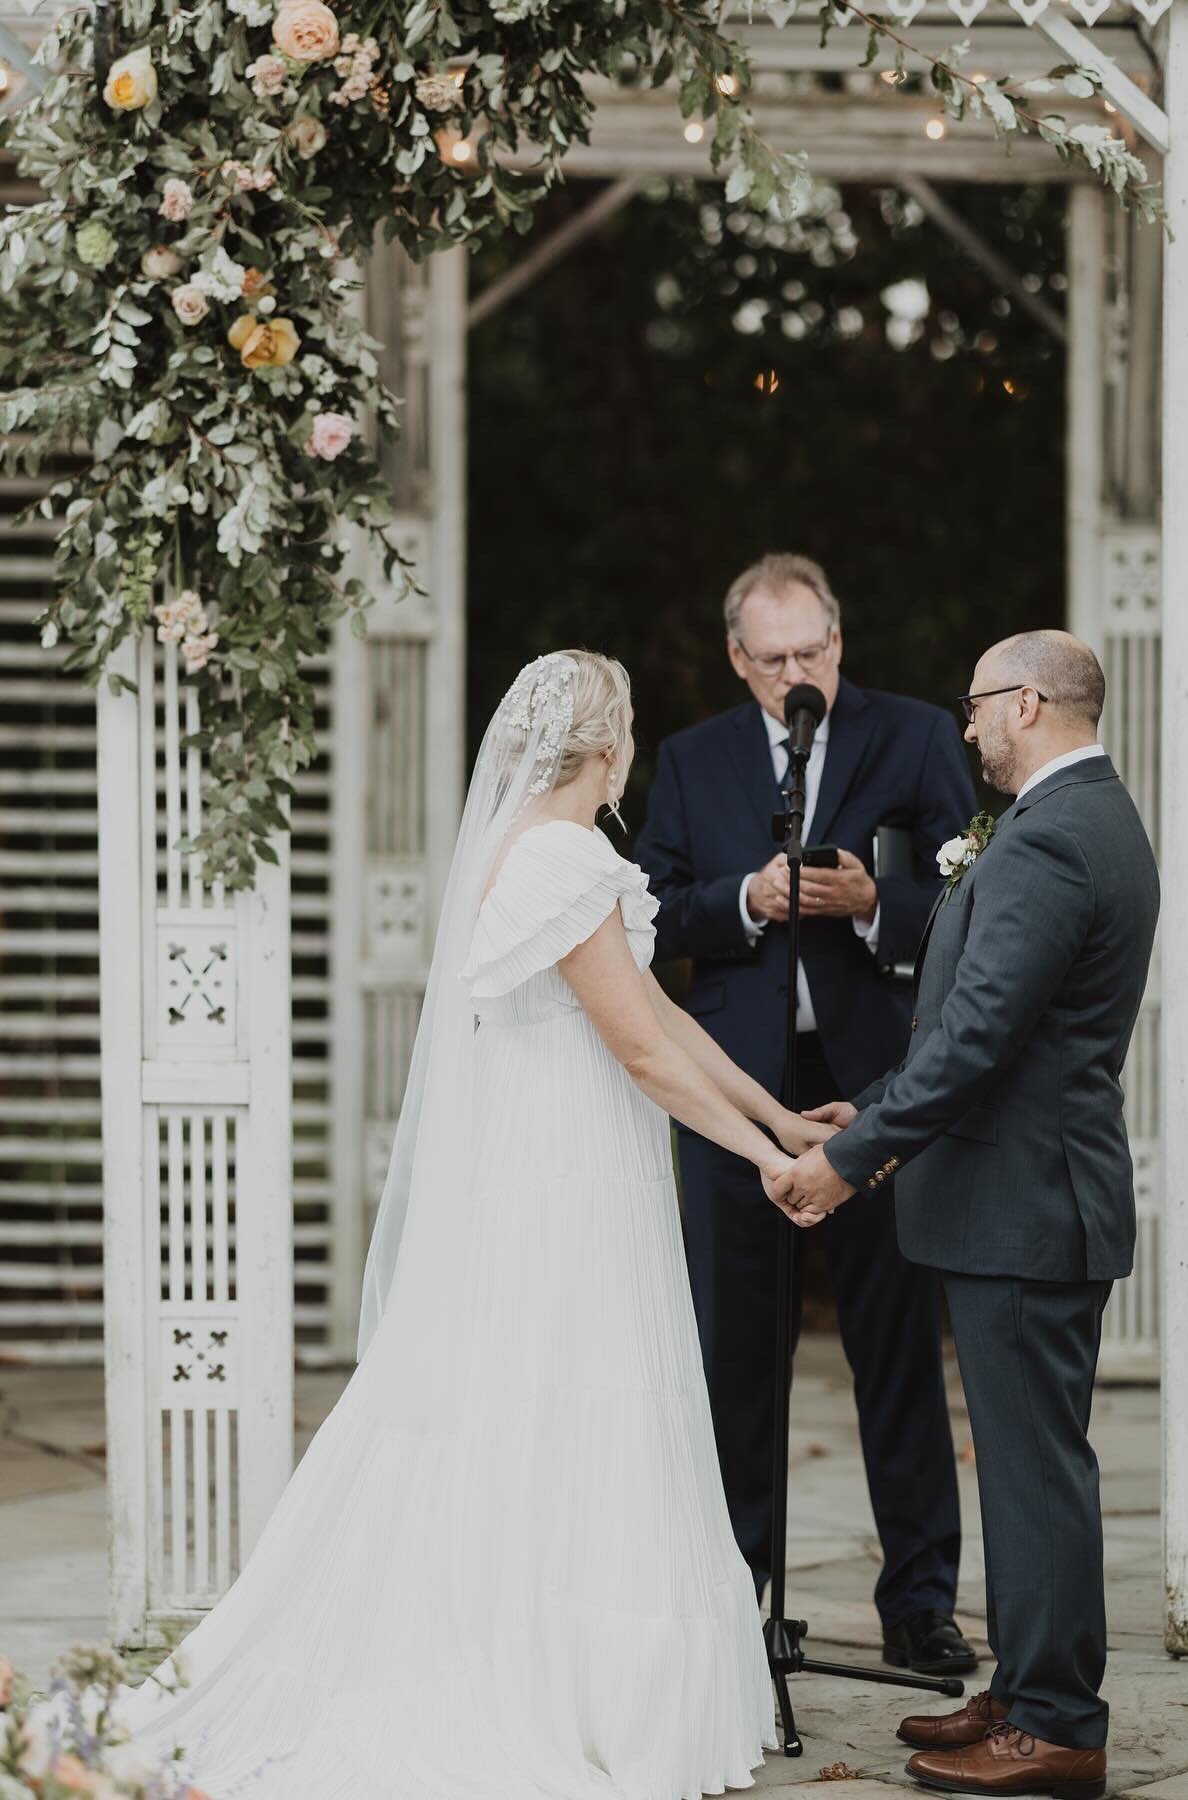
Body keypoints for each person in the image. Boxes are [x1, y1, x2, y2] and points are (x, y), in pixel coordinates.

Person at [118, 651, 837, 1799]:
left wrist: (783, 1119)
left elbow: (659, 1015)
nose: (634, 753)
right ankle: (550, 1677)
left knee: (547, 1402)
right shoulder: (561, 857)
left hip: (568, 1161)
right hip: (566, 1176)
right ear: (605, 751)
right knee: (566, 1403)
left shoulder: (549, 854)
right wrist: (766, 1162)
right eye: (631, 733)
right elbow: (642, 1048)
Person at [778, 630, 1160, 1800]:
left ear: (1030, 703)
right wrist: (879, 1100)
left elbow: (985, 1040)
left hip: (1027, 1205)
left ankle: (1058, 1726)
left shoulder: (1053, 839)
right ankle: (1030, 1685)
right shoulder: (1079, 820)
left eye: (979, 704)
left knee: (1039, 1469)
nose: (966, 725)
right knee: (1026, 1463)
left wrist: (853, 1156)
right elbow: (982, 1033)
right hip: (1020, 1196)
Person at [634, 553, 979, 1676]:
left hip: (878, 1088)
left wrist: (878, 903)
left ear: (841, 640)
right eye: (775, 658)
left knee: (897, 1349)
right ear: (740, 661)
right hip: (734, 1091)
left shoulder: (921, 736)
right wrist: (746, 899)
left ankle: (920, 1599)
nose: (800, 674)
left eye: (814, 652)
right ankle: (741, 1591)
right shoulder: (691, 761)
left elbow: (971, 904)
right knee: (737, 1352)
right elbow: (649, 912)